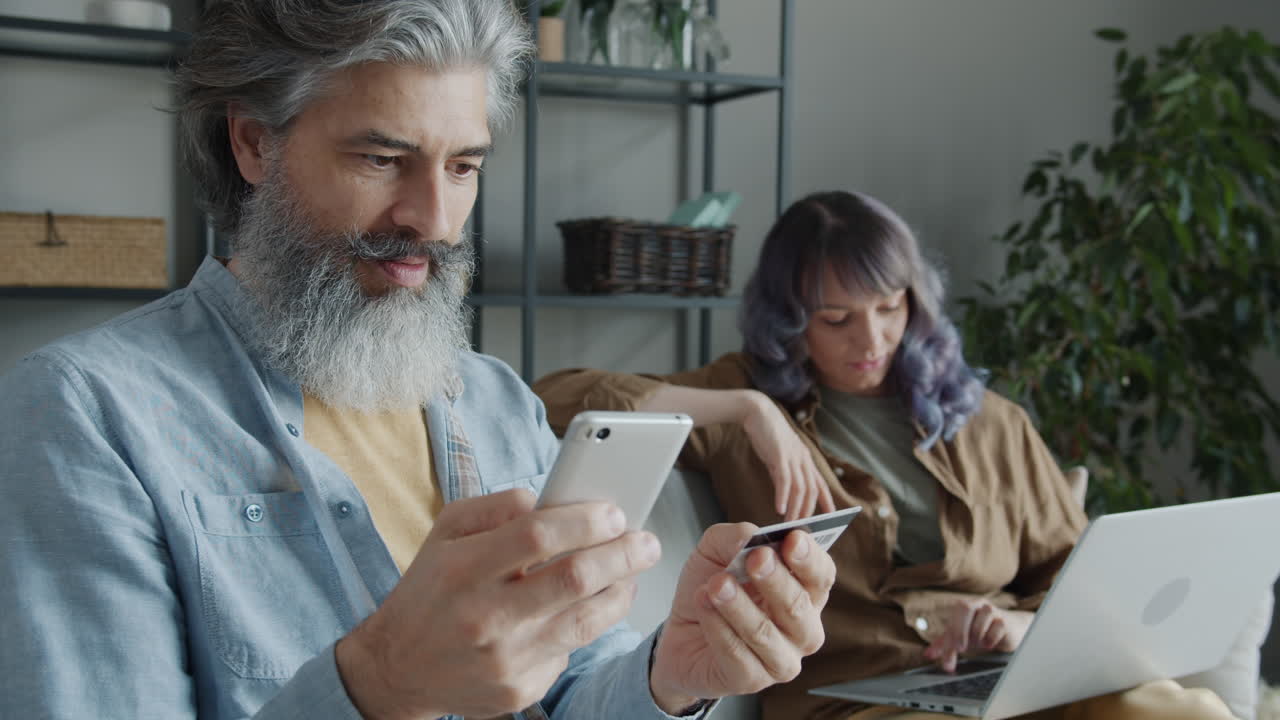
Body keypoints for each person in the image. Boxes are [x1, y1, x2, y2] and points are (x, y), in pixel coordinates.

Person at [0, 2, 837, 718]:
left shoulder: (494, 402)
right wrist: (382, 682)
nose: (434, 219)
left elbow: (571, 685)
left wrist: (668, 676)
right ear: (254, 144)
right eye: (382, 159)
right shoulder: (83, 415)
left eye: (463, 167)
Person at [535, 190, 1241, 720]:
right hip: (858, 704)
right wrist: (750, 411)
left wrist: (1022, 624)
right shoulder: (742, 398)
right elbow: (555, 399)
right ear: (789, 321)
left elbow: (1077, 573)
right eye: (835, 319)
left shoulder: (990, 423)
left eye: (890, 306)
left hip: (1005, 677)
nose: (870, 338)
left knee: (1188, 712)